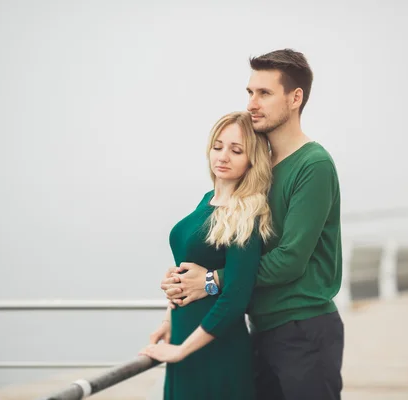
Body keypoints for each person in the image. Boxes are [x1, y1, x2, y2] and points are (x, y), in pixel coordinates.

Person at [160, 49, 344, 400]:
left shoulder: (313, 164)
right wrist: (181, 286)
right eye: (250, 93)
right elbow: (232, 240)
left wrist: (212, 282)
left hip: (303, 328)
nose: (252, 103)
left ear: (295, 98)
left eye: (264, 93)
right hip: (261, 327)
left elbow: (290, 258)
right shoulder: (260, 170)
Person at [140, 111, 274, 399]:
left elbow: (235, 299)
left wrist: (180, 350)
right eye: (218, 146)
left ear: (252, 159)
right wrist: (167, 324)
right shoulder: (206, 201)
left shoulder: (244, 213)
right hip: (181, 337)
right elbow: (183, 271)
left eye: (236, 150)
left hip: (215, 347)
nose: (223, 156)